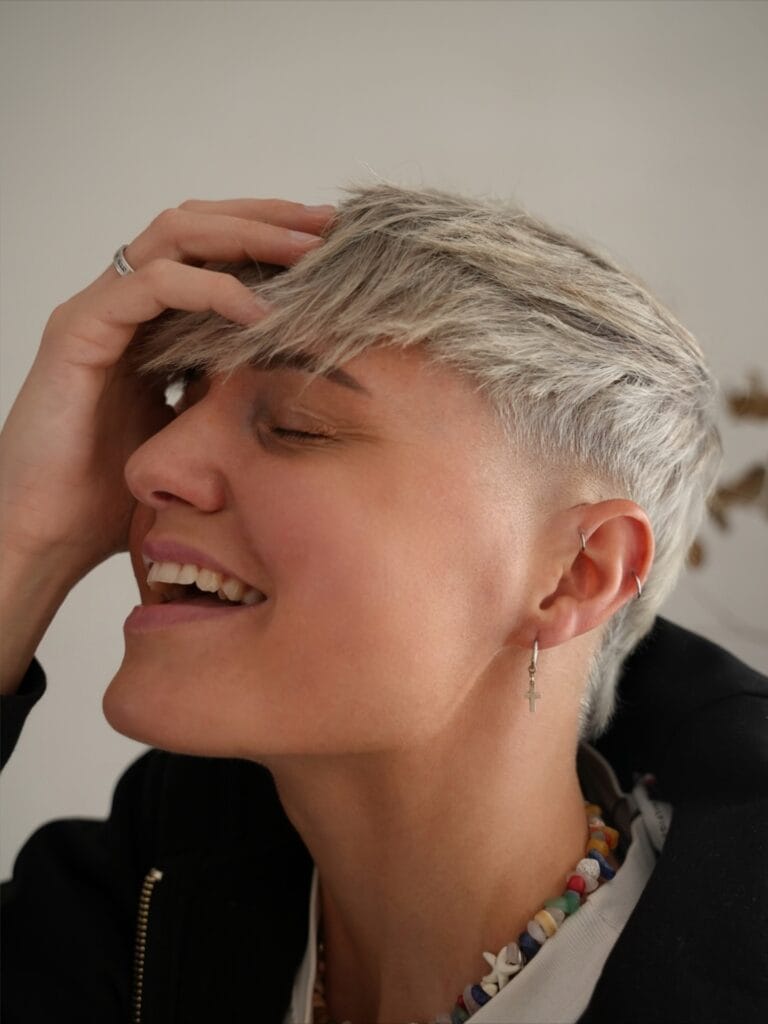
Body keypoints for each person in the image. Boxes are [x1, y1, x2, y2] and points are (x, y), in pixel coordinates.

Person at [0, 185, 765, 1024]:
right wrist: (21, 543)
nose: (151, 463)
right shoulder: (139, 894)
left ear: (576, 574)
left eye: (296, 425)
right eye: (180, 398)